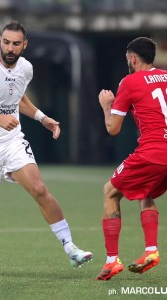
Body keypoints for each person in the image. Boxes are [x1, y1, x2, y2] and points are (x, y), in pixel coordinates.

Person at [0, 20, 93, 271]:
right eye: (6, 42)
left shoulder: (26, 69)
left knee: (39, 189)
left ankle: (71, 248)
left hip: (10, 141)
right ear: (0, 41)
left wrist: (42, 118)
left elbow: (18, 98)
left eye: (16, 43)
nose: (10, 47)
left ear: (24, 45)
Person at [96, 37, 167, 281]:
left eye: (128, 60)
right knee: (144, 191)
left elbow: (113, 129)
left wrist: (107, 105)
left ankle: (112, 260)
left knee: (109, 192)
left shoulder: (129, 81)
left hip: (152, 152)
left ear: (133, 59)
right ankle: (150, 250)